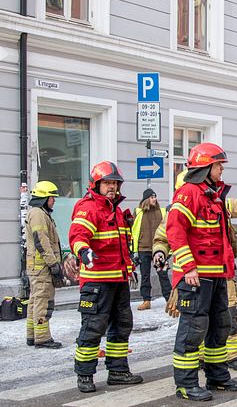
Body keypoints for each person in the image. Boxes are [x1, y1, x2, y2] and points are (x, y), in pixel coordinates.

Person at [155, 169, 237, 372]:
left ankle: (231, 356)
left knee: (226, 317)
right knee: (199, 322)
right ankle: (202, 360)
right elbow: (163, 238)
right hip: (193, 277)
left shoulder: (217, 201)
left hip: (221, 273)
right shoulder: (177, 209)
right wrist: (159, 254)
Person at [166, 143, 237, 401]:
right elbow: (175, 232)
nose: (222, 169)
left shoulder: (212, 193)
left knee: (219, 325)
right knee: (193, 330)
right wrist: (188, 267)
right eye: (218, 165)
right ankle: (186, 384)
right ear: (206, 167)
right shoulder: (189, 193)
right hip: (196, 276)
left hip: (217, 274)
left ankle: (217, 376)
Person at [68, 161, 144, 393]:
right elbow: (77, 235)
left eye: (114, 183)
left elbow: (121, 245)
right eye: (107, 183)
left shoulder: (116, 210)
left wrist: (131, 265)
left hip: (118, 280)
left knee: (122, 325)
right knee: (93, 327)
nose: (111, 187)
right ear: (96, 184)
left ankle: (118, 371)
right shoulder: (88, 208)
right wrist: (83, 250)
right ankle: (85, 374)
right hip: (97, 282)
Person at [25, 180, 64, 349]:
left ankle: (32, 335)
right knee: (43, 301)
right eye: (51, 198)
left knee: (35, 300)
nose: (53, 201)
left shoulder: (39, 212)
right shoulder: (38, 214)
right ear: (43, 198)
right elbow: (41, 241)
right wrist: (53, 264)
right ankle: (42, 337)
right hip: (42, 267)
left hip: (38, 266)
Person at [131, 188, 169, 310]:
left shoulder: (162, 212)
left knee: (163, 274)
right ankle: (146, 300)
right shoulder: (138, 213)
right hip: (143, 249)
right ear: (146, 199)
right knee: (145, 276)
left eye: (155, 197)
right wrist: (134, 251)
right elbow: (133, 232)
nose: (154, 199)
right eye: (152, 197)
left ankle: (169, 299)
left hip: (158, 249)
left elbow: (167, 230)